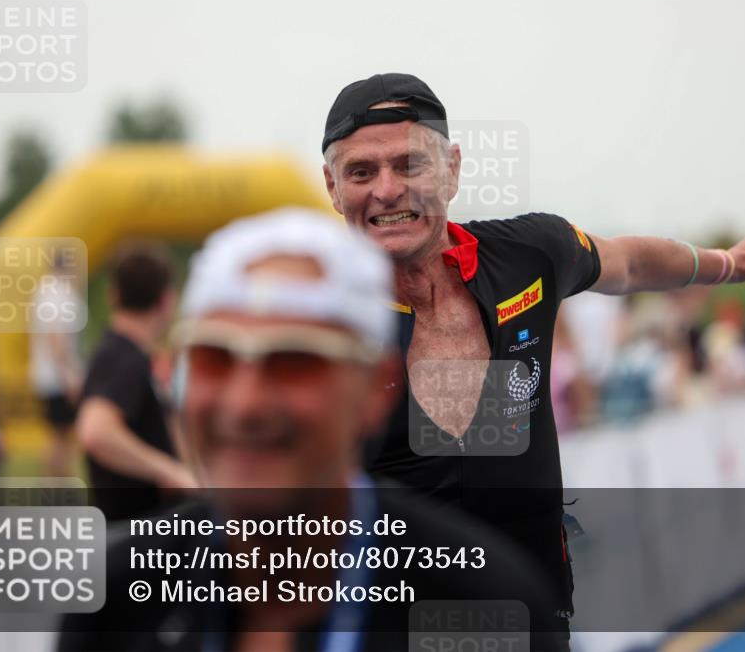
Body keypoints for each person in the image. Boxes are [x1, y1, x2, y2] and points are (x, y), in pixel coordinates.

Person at [320, 72, 745, 634]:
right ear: (332, 187)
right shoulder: (318, 324)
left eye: (409, 164)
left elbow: (628, 263)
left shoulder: (527, 256)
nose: (387, 190)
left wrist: (730, 264)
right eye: (361, 172)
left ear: (452, 170)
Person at [59, 209, 564, 651]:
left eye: (293, 361)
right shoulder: (117, 595)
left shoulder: (482, 602)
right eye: (215, 358)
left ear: (373, 390)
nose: (245, 404)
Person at [76, 243, 193, 521]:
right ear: (166, 300)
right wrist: (171, 471)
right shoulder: (123, 357)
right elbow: (95, 431)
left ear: (113, 295)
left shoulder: (127, 354)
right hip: (133, 531)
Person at [29, 253, 85, 476]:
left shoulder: (44, 291)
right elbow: (56, 337)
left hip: (47, 374)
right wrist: (68, 374)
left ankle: (56, 484)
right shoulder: (58, 295)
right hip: (56, 377)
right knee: (60, 435)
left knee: (59, 434)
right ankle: (57, 485)